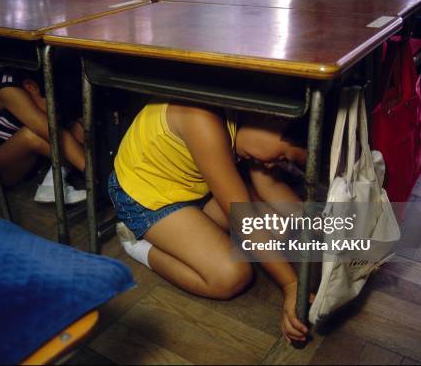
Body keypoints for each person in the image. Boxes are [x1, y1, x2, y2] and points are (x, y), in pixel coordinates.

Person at [109, 99, 311, 343]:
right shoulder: (202, 120)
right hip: (148, 199)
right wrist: (291, 285)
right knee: (232, 276)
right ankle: (136, 244)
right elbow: (243, 217)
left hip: (193, 190)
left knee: (282, 229)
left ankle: (193, 228)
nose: (273, 165)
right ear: (275, 119)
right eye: (282, 158)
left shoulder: (253, 117)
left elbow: (270, 187)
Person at [0, 67, 85, 203]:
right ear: (30, 87)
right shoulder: (7, 90)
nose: (56, 114)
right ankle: (96, 175)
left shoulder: (37, 87)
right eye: (55, 108)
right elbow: (53, 132)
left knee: (81, 121)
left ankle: (51, 183)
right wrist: (93, 172)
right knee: (33, 134)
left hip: (32, 159)